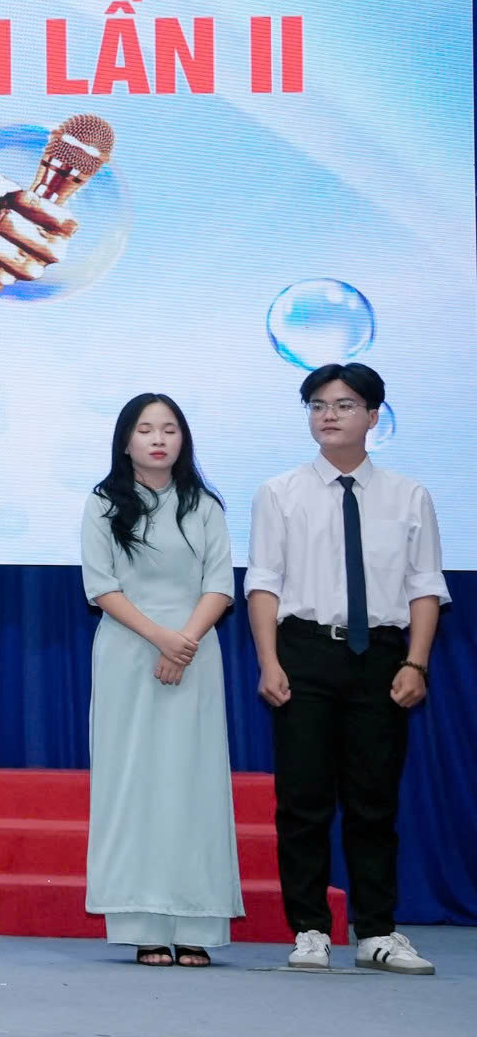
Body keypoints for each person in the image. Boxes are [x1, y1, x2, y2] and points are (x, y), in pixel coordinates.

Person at [248, 362, 446, 976]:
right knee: (303, 801)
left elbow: (424, 587)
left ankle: (377, 932)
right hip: (304, 651)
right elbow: (264, 583)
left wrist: (416, 662)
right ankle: (310, 929)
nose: (328, 415)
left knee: (374, 801)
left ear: (373, 416)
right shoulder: (279, 493)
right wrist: (269, 662)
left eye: (343, 404)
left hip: (382, 657)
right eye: (317, 405)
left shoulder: (409, 496)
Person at [81, 393, 240, 967]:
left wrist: (184, 642)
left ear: (183, 439)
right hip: (128, 653)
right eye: (145, 429)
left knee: (193, 783)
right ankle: (141, 921)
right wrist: (160, 639)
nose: (158, 439)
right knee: (132, 783)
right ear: (126, 441)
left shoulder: (205, 506)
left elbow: (219, 585)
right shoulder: (103, 504)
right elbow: (101, 587)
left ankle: (196, 921)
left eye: (169, 429)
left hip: (195, 655)